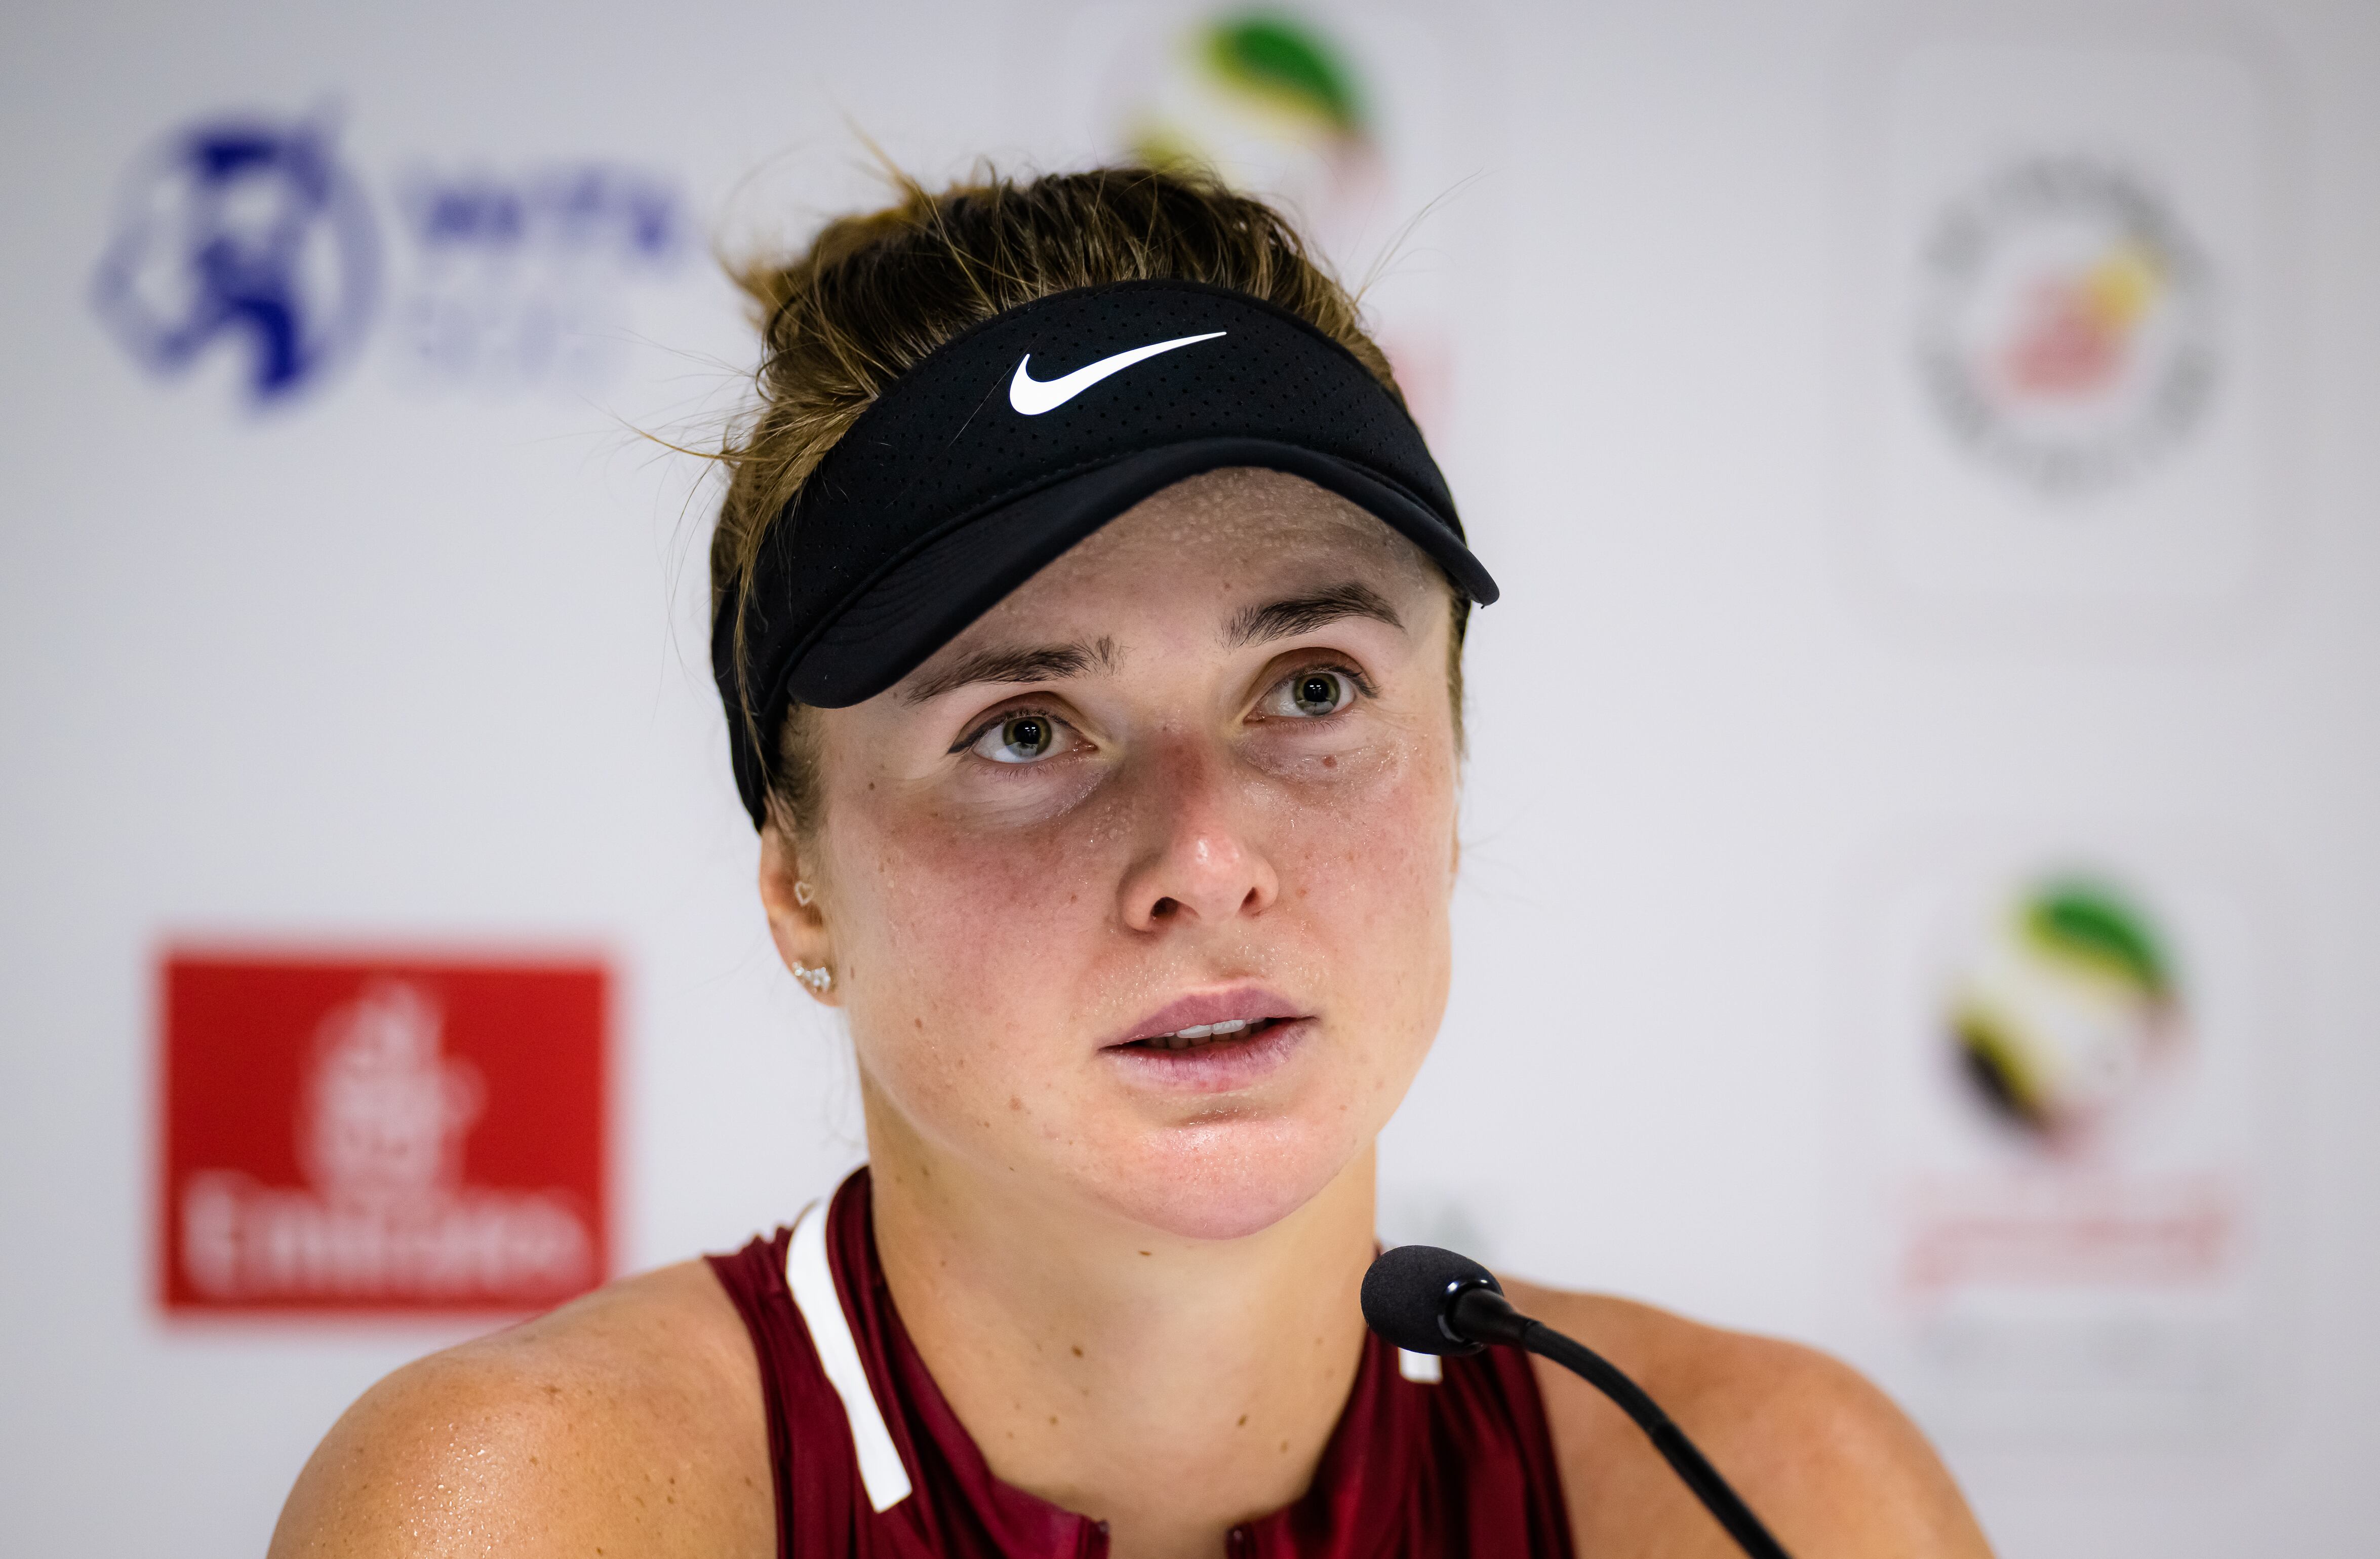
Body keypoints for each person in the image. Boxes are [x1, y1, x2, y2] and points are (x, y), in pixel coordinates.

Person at [269, 166, 1993, 1559]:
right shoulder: (529, 1513)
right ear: (798, 882)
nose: (1208, 857)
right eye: (1024, 728)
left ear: (1452, 773)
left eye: (1307, 690)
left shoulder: (1767, 1497)